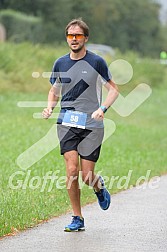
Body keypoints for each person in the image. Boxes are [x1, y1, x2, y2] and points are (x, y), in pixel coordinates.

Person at [42, 18, 118, 232]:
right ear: (67, 38)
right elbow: (54, 90)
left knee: (86, 176)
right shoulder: (60, 63)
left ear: (85, 38)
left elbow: (114, 90)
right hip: (66, 122)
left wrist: (102, 109)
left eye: (78, 35)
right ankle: (77, 217)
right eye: (70, 35)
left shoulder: (97, 62)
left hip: (92, 124)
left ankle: (98, 186)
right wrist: (49, 107)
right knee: (71, 169)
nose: (73, 39)